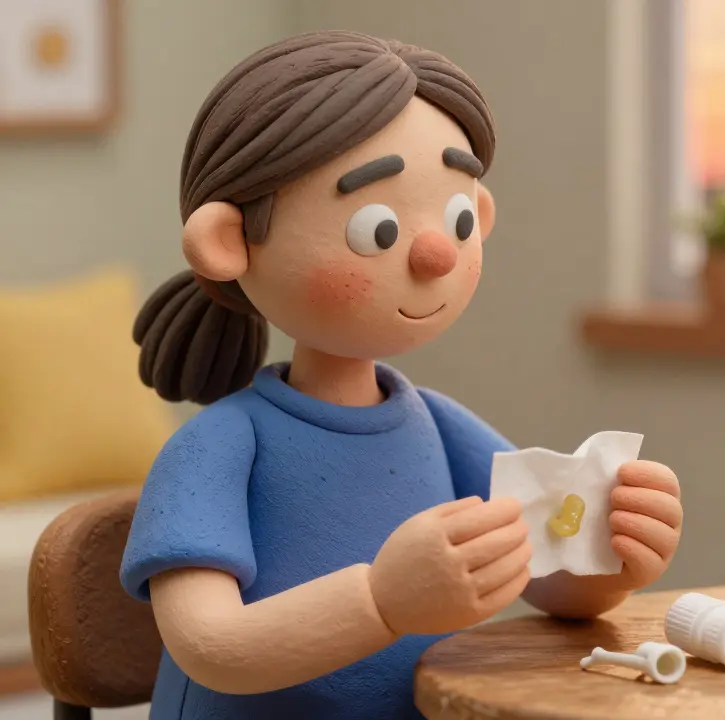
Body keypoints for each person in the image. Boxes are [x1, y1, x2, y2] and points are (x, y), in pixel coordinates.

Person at [119, 31, 683, 719]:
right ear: (229, 242)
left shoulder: (436, 425)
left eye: (455, 217)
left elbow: (546, 573)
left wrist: (613, 556)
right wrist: (382, 601)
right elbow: (210, 645)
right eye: (377, 228)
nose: (437, 252)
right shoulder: (220, 445)